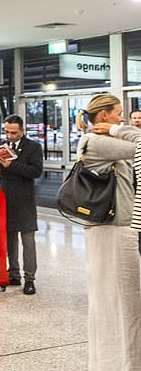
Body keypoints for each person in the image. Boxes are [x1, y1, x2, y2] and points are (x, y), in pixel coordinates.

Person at [76, 94, 141, 370]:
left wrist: (117, 131)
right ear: (103, 116)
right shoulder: (98, 142)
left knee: (119, 300)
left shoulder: (107, 143)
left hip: (115, 229)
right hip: (113, 231)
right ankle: (121, 363)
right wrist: (116, 131)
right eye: (118, 114)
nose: (122, 119)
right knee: (123, 301)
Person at [0, 114, 42, 295]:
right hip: (6, 198)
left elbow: (36, 171)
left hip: (25, 199)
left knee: (28, 241)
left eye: (14, 133)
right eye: (7, 132)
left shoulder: (34, 147)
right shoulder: (1, 146)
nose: (10, 136)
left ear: (22, 130)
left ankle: (30, 279)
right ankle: (13, 273)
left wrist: (11, 165)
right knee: (10, 239)